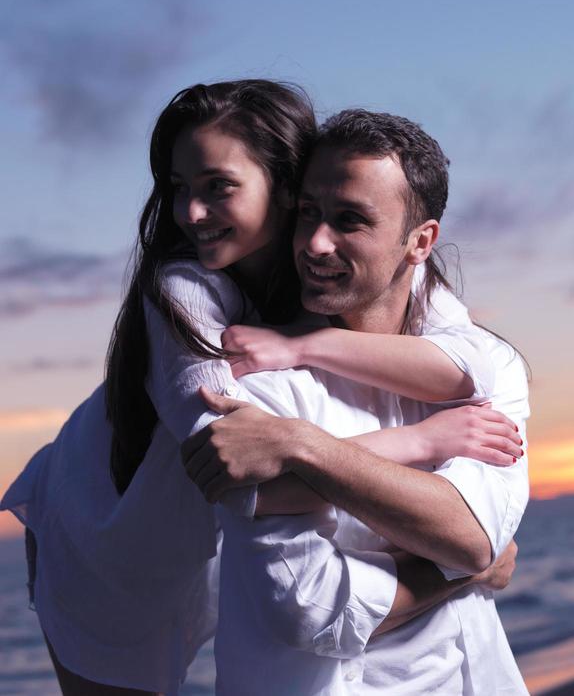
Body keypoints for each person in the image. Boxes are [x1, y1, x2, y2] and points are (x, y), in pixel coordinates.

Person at [1, 82, 522, 696]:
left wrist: (307, 351)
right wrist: (419, 447)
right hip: (102, 534)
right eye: (178, 188)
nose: (190, 213)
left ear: (283, 185)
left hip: (199, 535)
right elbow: (237, 465)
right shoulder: (186, 293)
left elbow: (475, 366)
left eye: (218, 185)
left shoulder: (389, 281)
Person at [182, 109, 531, 695]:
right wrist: (464, 570)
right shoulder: (259, 384)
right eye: (309, 214)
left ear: (419, 242)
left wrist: (304, 446)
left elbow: (470, 532)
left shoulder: (482, 369)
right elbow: (310, 608)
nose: (316, 243)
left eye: (350, 221)